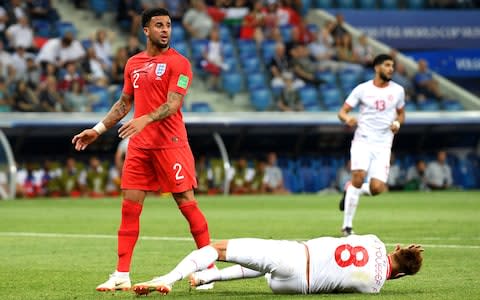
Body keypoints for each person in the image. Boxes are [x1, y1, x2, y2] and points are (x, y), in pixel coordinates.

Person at [72, 8, 213, 292]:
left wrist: (145, 118)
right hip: (139, 146)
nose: (165, 30)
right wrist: (97, 130)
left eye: (169, 25)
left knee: (186, 203)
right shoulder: (133, 63)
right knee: (129, 207)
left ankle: (207, 272)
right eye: (159, 25)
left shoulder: (180, 64)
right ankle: (121, 274)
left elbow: (173, 104)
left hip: (170, 144)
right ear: (145, 30)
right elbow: (124, 104)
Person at [132, 234, 423, 296]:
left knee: (216, 248)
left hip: (298, 255)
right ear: (402, 275)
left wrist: (402, 252)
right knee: (267, 265)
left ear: (396, 248)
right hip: (295, 288)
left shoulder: (373, 240)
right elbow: (386, 273)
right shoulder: (374, 287)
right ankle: (208, 279)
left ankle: (169, 278)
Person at [337, 54, 405, 236]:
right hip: (363, 140)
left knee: (377, 189)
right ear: (377, 68)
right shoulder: (362, 89)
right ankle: (347, 227)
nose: (391, 69)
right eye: (387, 65)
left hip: (383, 145)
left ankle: (351, 190)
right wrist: (347, 119)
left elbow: (401, 114)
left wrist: (397, 123)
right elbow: (342, 112)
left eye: (392, 66)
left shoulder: (398, 91)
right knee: (358, 177)